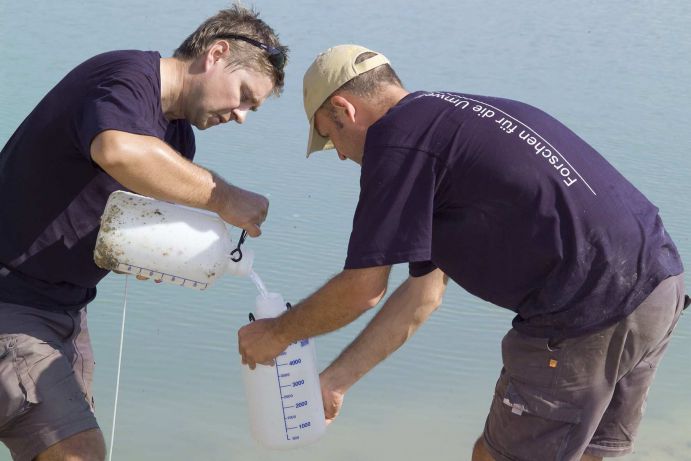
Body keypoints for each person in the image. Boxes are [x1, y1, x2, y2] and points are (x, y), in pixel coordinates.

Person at [238, 44, 688, 461]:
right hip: (657, 285)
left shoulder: (396, 142)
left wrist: (276, 335)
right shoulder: (449, 121)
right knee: (590, 453)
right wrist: (337, 382)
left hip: (584, 312)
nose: (338, 155)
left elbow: (362, 289)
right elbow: (422, 296)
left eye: (329, 137)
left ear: (343, 108)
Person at [0, 5, 288, 460]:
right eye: (244, 95)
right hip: (13, 301)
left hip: (68, 313)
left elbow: (132, 231)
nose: (241, 116)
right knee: (80, 453)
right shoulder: (125, 77)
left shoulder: (178, 140)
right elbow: (117, 150)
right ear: (216, 54)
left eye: (252, 108)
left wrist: (160, 255)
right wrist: (225, 197)